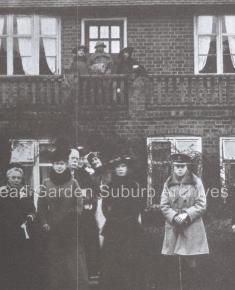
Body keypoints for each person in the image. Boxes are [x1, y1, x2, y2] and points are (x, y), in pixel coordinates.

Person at [37, 148, 88, 290]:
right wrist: (45, 222)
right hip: (53, 229)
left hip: (70, 230)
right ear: (52, 165)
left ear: (66, 165)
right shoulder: (46, 183)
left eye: (62, 163)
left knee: (73, 263)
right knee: (55, 262)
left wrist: (71, 221)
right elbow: (41, 206)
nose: (59, 166)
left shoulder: (73, 183)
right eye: (56, 164)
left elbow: (79, 205)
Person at [160, 153, 209, 290]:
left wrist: (187, 214)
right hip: (174, 225)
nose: (179, 169)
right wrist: (174, 216)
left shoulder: (195, 181)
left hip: (191, 226)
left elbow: (201, 204)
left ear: (187, 166)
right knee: (174, 262)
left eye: (182, 166)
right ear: (173, 167)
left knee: (191, 261)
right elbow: (163, 205)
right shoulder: (168, 183)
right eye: (177, 166)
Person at [99, 156, 145, 290]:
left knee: (130, 260)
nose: (120, 169)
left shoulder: (134, 185)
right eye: (117, 167)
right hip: (113, 227)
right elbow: (104, 207)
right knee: (112, 260)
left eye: (123, 166)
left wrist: (129, 217)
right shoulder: (109, 186)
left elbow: (139, 205)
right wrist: (113, 217)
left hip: (130, 227)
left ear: (127, 168)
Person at [0, 164, 35, 290]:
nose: (16, 180)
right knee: (7, 263)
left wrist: (30, 218)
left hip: (23, 232)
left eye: (18, 178)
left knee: (23, 263)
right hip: (5, 233)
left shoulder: (26, 191)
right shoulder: (2, 192)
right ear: (8, 178)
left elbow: (32, 209)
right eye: (13, 177)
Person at [68, 148, 100, 280]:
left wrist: (88, 199)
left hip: (85, 214)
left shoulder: (83, 174)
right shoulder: (60, 174)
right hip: (67, 216)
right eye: (73, 158)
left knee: (89, 241)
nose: (75, 161)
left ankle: (90, 272)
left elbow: (94, 191)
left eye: (77, 159)